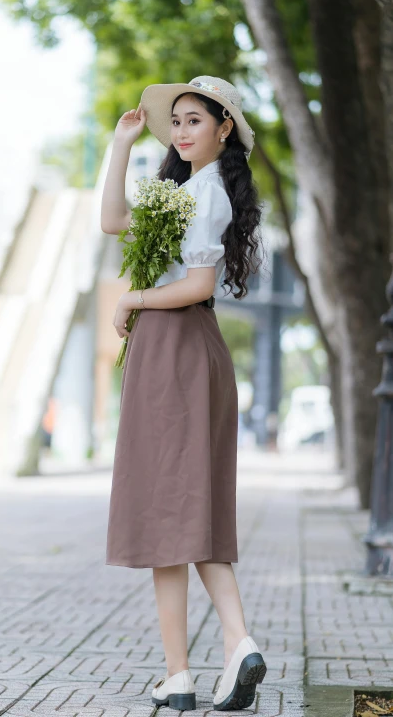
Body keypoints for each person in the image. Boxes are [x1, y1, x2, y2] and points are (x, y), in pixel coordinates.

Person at [100, 75, 266, 712]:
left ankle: (202, 662)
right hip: (174, 352)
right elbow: (114, 220)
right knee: (178, 515)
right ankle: (211, 657)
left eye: (194, 120)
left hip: (177, 349)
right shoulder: (188, 189)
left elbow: (198, 285)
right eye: (177, 122)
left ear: (224, 128)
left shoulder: (207, 194)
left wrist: (134, 298)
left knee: (173, 513)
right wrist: (123, 144)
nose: (181, 131)